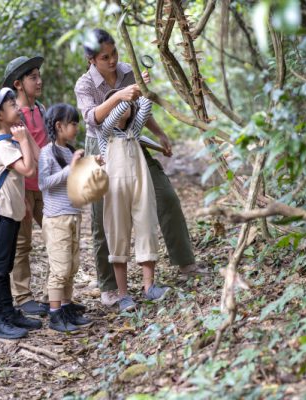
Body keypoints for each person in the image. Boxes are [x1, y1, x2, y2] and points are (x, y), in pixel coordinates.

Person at [75, 28, 204, 307]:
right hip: (100, 146)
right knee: (103, 218)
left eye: (114, 54)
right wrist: (119, 96)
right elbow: (92, 118)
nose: (112, 61)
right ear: (92, 60)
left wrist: (159, 133)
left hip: (132, 139)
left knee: (164, 194)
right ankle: (111, 287)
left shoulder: (126, 70)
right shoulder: (84, 85)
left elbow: (140, 108)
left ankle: (183, 263)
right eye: (105, 57)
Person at [2, 56, 86, 316]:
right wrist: (20, 192)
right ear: (18, 84)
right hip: (24, 186)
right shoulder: (12, 116)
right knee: (22, 243)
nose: (39, 81)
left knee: (58, 238)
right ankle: (23, 297)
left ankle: (56, 297)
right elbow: (11, 155)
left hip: (47, 188)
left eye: (39, 75)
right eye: (32, 77)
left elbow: (49, 148)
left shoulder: (41, 109)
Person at [100, 89, 171, 311]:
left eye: (129, 104)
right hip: (115, 189)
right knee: (117, 235)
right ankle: (123, 295)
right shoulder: (106, 132)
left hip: (140, 183)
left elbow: (145, 106)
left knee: (147, 228)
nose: (125, 107)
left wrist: (143, 86)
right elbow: (115, 112)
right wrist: (124, 96)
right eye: (120, 103)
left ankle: (149, 286)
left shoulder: (135, 130)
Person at [0, 87, 42, 339]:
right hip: (1, 215)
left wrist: (23, 204)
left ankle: (8, 312)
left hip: (11, 211)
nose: (18, 108)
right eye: (12, 106)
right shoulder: (1, 144)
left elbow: (15, 179)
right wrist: (25, 139)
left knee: (5, 264)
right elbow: (28, 169)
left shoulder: (8, 141)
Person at [38, 103, 93, 332]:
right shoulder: (46, 152)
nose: (76, 127)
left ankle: (68, 308)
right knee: (59, 269)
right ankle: (54, 313)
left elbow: (75, 181)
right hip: (56, 219)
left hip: (73, 215)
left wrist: (90, 166)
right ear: (59, 126)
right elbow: (44, 183)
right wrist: (70, 168)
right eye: (72, 123)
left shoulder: (70, 151)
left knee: (72, 266)